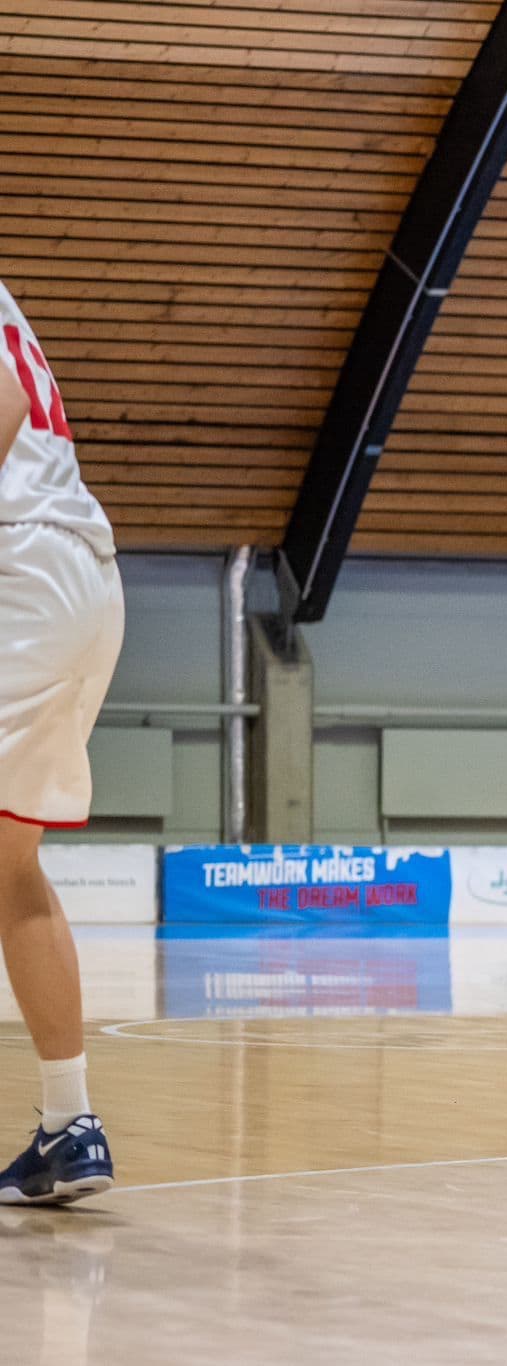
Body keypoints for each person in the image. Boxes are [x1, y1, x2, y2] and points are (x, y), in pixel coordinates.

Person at [0, 281, 125, 1205]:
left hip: (18, 567)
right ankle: (67, 1123)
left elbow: (4, 400)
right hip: (84, 575)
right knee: (9, 865)